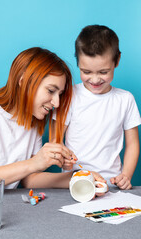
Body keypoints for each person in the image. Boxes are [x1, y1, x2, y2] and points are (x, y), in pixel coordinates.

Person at [0, 47, 106, 191]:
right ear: (23, 82)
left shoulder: (33, 120)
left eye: (59, 94)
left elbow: (30, 180)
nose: (57, 103)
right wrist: (34, 163)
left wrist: (78, 177)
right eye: (51, 91)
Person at [52, 25, 141, 190]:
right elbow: (55, 139)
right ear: (78, 63)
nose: (94, 79)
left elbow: (133, 144)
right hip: (74, 183)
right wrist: (61, 157)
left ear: (117, 61)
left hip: (110, 184)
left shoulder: (125, 99)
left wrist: (126, 175)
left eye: (103, 72)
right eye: (86, 71)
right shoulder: (69, 95)